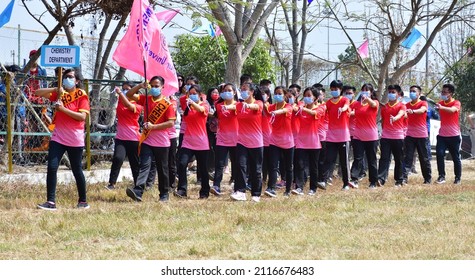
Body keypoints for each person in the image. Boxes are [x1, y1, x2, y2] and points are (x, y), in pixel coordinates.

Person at [34, 69, 90, 210]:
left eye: (71, 77)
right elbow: (37, 93)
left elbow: (82, 117)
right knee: (52, 167)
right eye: (65, 77)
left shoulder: (81, 95)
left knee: (76, 169)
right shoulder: (60, 94)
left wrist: (62, 109)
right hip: (58, 137)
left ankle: (83, 201)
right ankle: (51, 202)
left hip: (75, 138)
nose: (67, 79)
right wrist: (56, 88)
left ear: (77, 81)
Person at [125, 76, 176, 202]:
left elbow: (170, 123)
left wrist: (154, 126)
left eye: (156, 86)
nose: (154, 88)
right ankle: (138, 191)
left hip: (162, 142)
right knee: (144, 165)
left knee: (162, 168)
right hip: (147, 140)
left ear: (162, 87)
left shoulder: (167, 104)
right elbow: (129, 95)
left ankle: (164, 194)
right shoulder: (146, 99)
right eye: (152, 86)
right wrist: (139, 86)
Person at [174, 84, 211, 199]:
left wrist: (192, 103)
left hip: (201, 142)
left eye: (195, 93)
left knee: (203, 168)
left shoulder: (204, 104)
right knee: (182, 164)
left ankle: (205, 191)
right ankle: (182, 189)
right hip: (188, 141)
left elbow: (201, 110)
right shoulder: (187, 107)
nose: (192, 95)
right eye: (191, 93)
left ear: (200, 95)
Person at [105, 81, 143, 190]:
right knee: (117, 158)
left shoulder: (138, 105)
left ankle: (138, 185)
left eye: (128, 89)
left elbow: (128, 105)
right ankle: (112, 183)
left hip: (133, 138)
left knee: (134, 162)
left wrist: (121, 93)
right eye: (124, 88)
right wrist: (120, 95)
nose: (125, 91)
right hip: (121, 138)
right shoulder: (120, 101)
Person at [230, 83, 264, 202]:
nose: (242, 91)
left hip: (256, 142)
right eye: (241, 89)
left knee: (256, 169)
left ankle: (256, 194)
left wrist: (248, 105)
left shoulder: (259, 103)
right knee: (240, 165)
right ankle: (240, 191)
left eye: (245, 90)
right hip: (242, 141)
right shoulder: (239, 105)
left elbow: (256, 107)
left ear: (252, 92)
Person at [321, 80, 351, 190]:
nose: (334, 91)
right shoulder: (328, 103)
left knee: (344, 161)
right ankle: (323, 180)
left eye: (336, 89)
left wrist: (342, 109)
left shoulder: (345, 100)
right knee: (329, 159)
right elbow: (323, 111)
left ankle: (346, 183)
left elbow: (346, 106)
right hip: (331, 136)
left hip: (343, 137)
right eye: (332, 89)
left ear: (341, 90)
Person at [265, 86, 294, 197]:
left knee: (288, 167)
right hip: (274, 140)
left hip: (287, 141)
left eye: (280, 93)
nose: (277, 95)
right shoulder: (271, 107)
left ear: (285, 95)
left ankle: (287, 190)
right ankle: (271, 188)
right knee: (273, 166)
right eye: (276, 93)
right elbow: (265, 112)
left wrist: (276, 112)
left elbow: (284, 110)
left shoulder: (289, 107)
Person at [292, 87, 322, 196]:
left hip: (314, 142)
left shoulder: (320, 108)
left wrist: (302, 109)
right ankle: (299, 187)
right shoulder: (301, 108)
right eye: (305, 96)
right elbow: (295, 109)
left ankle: (313, 188)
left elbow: (314, 114)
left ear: (315, 98)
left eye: (309, 96)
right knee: (299, 165)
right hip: (301, 142)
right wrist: (296, 107)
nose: (307, 98)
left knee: (313, 167)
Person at [349, 83, 379, 189]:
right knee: (358, 158)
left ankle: (373, 181)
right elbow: (350, 110)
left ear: (371, 92)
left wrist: (368, 99)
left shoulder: (374, 102)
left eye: (367, 90)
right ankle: (354, 179)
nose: (364, 92)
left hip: (371, 136)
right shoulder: (357, 104)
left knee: (371, 159)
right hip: (358, 136)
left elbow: (373, 105)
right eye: (363, 90)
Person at [211, 83, 238, 196]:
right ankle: (216, 185)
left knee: (236, 163)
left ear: (234, 93)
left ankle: (237, 186)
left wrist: (228, 107)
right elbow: (216, 116)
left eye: (229, 90)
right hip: (221, 137)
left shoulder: (239, 105)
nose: (227, 92)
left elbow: (235, 108)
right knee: (219, 163)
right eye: (225, 90)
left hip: (236, 138)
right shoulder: (218, 105)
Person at [377, 85, 406, 187]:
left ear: (398, 94)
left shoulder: (402, 105)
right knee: (384, 158)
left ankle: (399, 180)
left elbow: (401, 113)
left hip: (398, 137)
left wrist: (395, 118)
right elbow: (384, 121)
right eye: (389, 92)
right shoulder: (384, 107)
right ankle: (380, 179)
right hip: (386, 137)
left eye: (393, 92)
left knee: (398, 159)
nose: (391, 94)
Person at [403, 86, 432, 184]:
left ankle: (427, 179)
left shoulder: (423, 103)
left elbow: (422, 110)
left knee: (424, 158)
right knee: (408, 157)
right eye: (410, 91)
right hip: (409, 135)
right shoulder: (406, 105)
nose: (412, 93)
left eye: (414, 91)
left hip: (421, 136)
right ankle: (403, 178)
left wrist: (413, 111)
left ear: (419, 93)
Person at [435, 84, 462, 185]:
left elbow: (452, 110)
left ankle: (458, 178)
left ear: (450, 93)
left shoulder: (456, 103)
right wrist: (440, 107)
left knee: (455, 157)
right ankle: (441, 176)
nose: (443, 94)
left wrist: (441, 107)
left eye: (445, 92)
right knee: (439, 154)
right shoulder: (440, 103)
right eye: (442, 92)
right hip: (442, 135)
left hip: (454, 135)